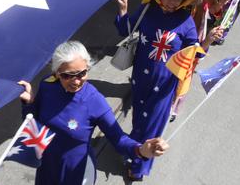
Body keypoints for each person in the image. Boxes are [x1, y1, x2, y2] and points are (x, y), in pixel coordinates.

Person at [115, 0, 223, 180]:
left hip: (165, 83)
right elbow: (124, 30)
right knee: (139, 118)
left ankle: (138, 167)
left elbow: (193, 51)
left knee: (153, 124)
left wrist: (207, 41)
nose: (173, 1)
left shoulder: (186, 20)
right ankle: (134, 148)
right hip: (140, 78)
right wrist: (123, 9)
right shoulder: (147, 11)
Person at [18, 41, 169, 184]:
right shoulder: (47, 85)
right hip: (46, 165)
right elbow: (33, 124)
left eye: (81, 73)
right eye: (67, 75)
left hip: (76, 171)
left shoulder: (95, 101)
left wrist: (141, 150)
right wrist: (29, 104)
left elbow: (119, 139)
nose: (76, 81)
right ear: (57, 73)